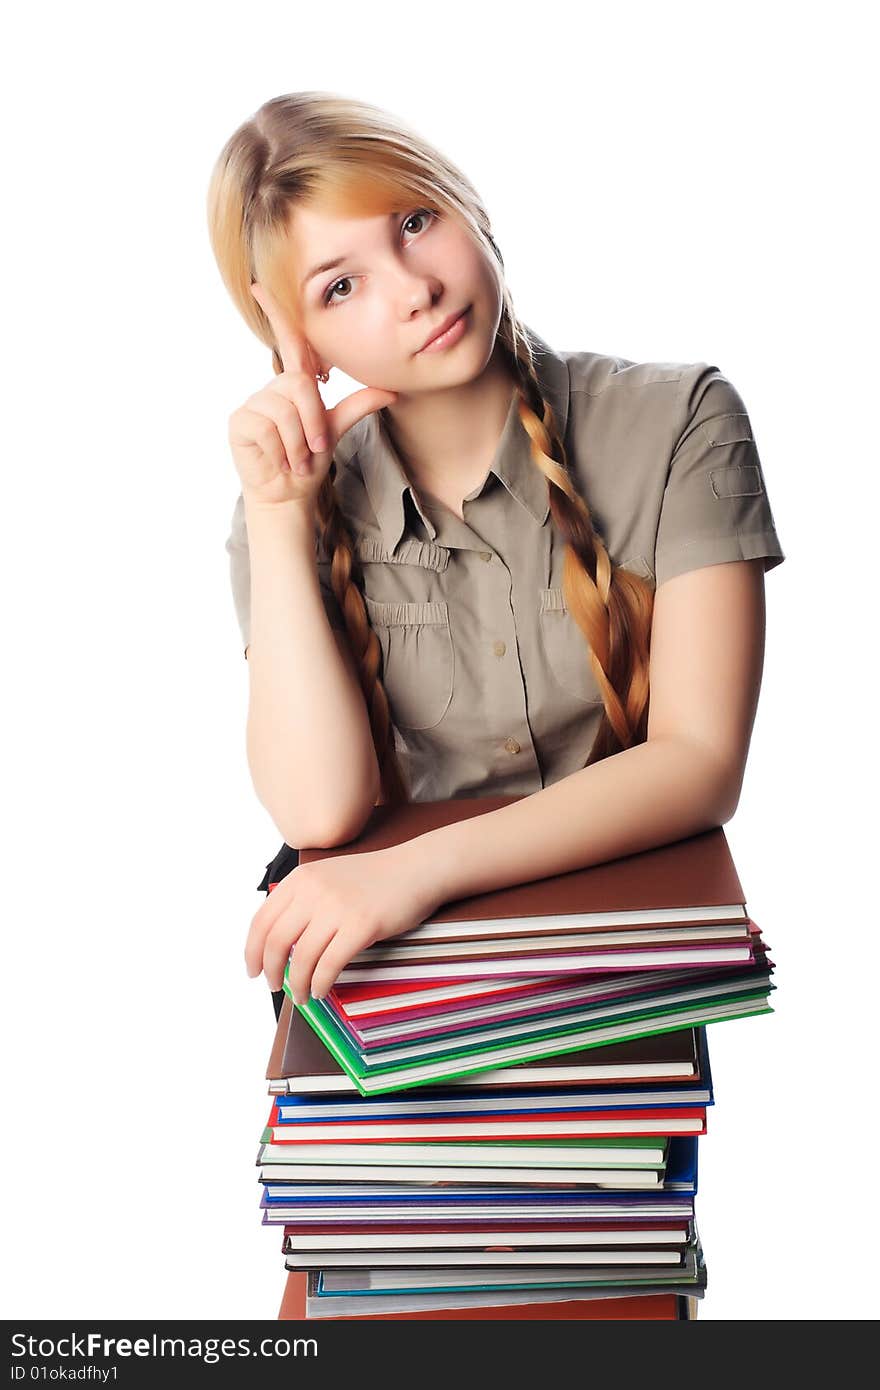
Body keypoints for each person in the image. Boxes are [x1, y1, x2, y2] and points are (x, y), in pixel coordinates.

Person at [206, 91, 786, 1022]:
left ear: (469, 206)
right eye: (339, 287)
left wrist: (416, 873)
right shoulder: (290, 504)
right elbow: (318, 816)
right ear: (297, 341)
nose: (412, 289)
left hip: (617, 961)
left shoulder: (679, 421)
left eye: (414, 221)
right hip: (386, 978)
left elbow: (700, 760)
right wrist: (278, 520)